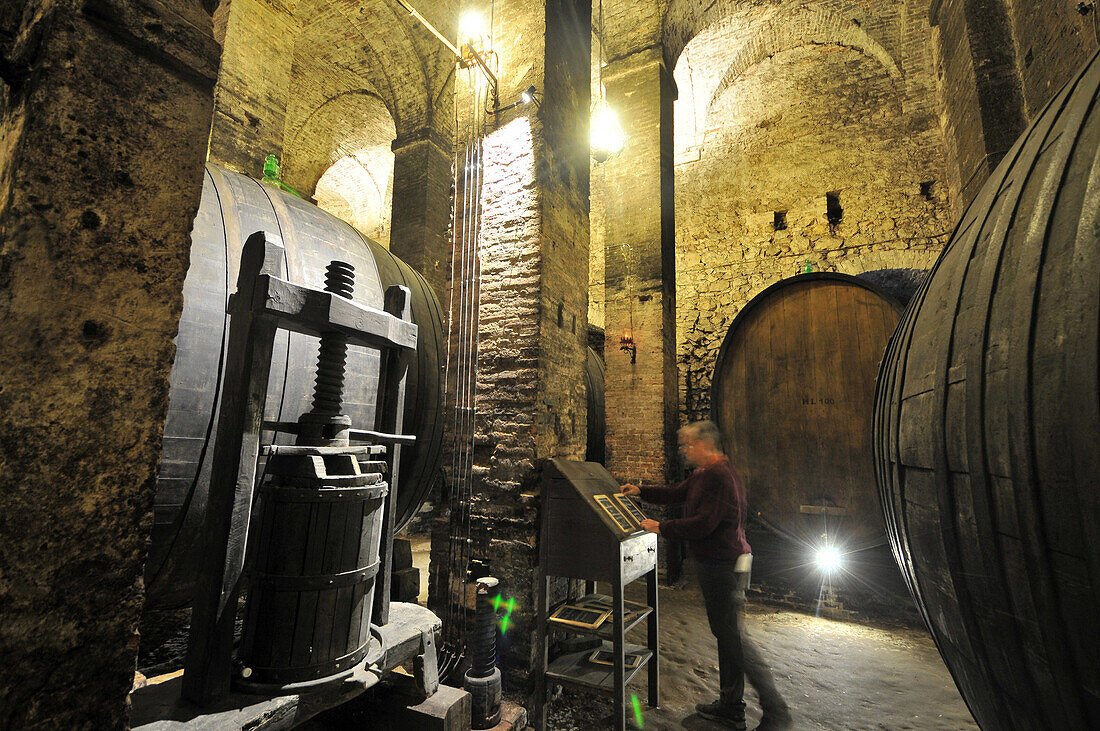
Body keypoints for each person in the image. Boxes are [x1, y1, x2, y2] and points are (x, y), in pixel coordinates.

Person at [622, 420, 792, 731]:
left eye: (689, 444)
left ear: (705, 444)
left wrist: (661, 528)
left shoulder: (718, 476)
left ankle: (776, 711)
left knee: (734, 641)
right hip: (722, 563)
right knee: (728, 639)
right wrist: (641, 491)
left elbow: (704, 524)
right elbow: (677, 493)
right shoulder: (705, 474)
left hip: (722, 565)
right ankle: (730, 706)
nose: (685, 451)